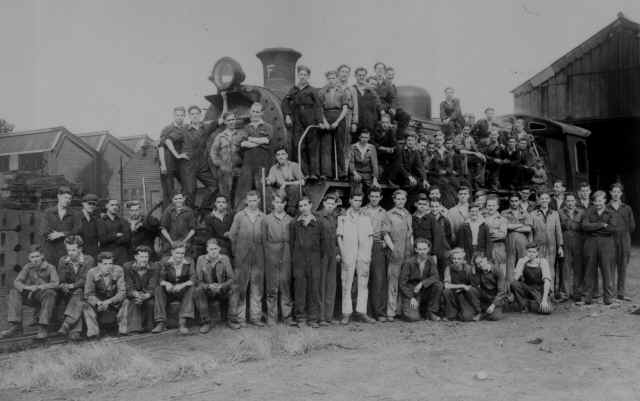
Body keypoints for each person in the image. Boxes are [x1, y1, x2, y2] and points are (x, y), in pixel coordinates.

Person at [0, 245, 58, 339]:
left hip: (45, 297)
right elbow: (17, 282)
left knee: (50, 293)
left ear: (42, 256)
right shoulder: (28, 267)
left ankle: (43, 327)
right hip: (32, 296)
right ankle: (16, 326)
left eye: (37, 256)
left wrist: (40, 287)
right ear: (29, 258)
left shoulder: (50, 267)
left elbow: (55, 283)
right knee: (14, 292)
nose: (35, 259)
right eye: (32, 257)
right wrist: (27, 287)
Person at [228, 190, 266, 327]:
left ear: (259, 201)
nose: (252, 203)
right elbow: (232, 235)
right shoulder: (239, 216)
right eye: (250, 201)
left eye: (255, 200)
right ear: (246, 201)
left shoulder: (263, 217)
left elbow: (266, 238)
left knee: (257, 288)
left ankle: (255, 317)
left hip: (258, 258)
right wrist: (238, 252)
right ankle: (240, 318)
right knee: (241, 288)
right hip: (242, 257)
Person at [338, 192, 375, 324]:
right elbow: (339, 238)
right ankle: (346, 313)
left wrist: (368, 254)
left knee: (363, 283)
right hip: (348, 254)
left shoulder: (366, 217)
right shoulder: (343, 217)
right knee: (346, 283)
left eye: (360, 200)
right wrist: (343, 255)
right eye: (355, 200)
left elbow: (370, 237)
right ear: (350, 201)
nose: (358, 203)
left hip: (363, 254)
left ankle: (362, 312)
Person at [290, 196, 326, 327]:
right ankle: (300, 318)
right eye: (300, 206)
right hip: (299, 261)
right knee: (300, 289)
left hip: (314, 261)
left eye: (305, 205)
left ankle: (313, 318)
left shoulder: (318, 222)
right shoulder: (294, 223)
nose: (303, 208)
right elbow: (291, 243)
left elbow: (323, 244)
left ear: (311, 205)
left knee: (314, 289)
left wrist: (316, 258)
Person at [282, 65, 323, 177]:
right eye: (301, 74)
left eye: (305, 75)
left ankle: (314, 173)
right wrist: (287, 115)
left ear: (308, 76)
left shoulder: (312, 90)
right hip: (297, 120)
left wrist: (319, 121)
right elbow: (285, 102)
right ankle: (304, 173)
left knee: (312, 147)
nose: (303, 77)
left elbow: (318, 106)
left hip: (310, 119)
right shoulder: (293, 90)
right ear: (298, 75)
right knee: (299, 146)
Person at [261, 193, 294, 326]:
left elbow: (293, 240)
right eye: (276, 202)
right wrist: (267, 255)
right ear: (272, 203)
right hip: (271, 252)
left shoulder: (290, 220)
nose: (278, 205)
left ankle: (287, 316)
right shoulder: (266, 219)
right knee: (272, 285)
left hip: (286, 252)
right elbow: (263, 240)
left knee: (285, 284)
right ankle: (271, 317)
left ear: (285, 204)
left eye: (281, 202)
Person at [581, 190, 617, 305]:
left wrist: (594, 229)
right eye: (596, 201)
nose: (598, 203)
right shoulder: (588, 212)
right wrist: (601, 225)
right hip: (591, 244)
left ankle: (608, 298)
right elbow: (585, 226)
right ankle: (588, 297)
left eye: (600, 200)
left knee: (607, 271)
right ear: (593, 201)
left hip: (606, 244)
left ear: (605, 200)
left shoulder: (610, 212)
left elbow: (612, 229)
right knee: (589, 271)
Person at [235, 102, 274, 208]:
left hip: (263, 164)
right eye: (253, 111)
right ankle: (239, 214)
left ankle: (265, 213)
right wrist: (258, 143)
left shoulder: (268, 127)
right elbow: (242, 143)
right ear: (250, 112)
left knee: (262, 190)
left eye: (257, 112)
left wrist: (250, 139)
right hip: (248, 163)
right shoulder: (245, 128)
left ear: (262, 113)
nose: (255, 114)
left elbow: (266, 140)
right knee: (242, 190)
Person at [152, 243, 197, 334]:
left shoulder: (189, 261)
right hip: (170, 290)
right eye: (177, 253)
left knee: (191, 289)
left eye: (182, 253)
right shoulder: (165, 261)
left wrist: (182, 285)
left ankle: (183, 322)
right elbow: (160, 278)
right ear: (172, 252)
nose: (180, 255)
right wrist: (166, 284)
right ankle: (161, 322)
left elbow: (193, 278)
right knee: (158, 289)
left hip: (182, 291)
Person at [194, 239, 238, 332]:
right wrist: (208, 286)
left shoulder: (225, 258)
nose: (213, 251)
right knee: (198, 290)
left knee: (234, 288)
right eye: (211, 249)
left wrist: (222, 286)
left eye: (215, 248)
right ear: (207, 249)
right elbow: (198, 280)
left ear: (219, 249)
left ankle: (232, 320)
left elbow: (232, 278)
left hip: (222, 290)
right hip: (208, 290)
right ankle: (206, 322)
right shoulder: (201, 259)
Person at [180, 105, 219, 208]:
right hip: (188, 165)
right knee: (190, 192)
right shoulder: (184, 129)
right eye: (192, 114)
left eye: (197, 113)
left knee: (214, 186)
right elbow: (168, 139)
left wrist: (224, 99)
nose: (195, 116)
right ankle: (190, 215)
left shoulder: (205, 127)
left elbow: (221, 120)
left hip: (202, 164)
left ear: (200, 115)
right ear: (189, 116)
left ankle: (202, 208)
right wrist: (177, 154)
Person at [363, 188, 393, 321]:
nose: (374, 198)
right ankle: (366, 312)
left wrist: (390, 246)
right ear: (368, 197)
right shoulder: (363, 211)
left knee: (378, 279)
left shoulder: (384, 213)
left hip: (377, 245)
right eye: (372, 196)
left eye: (377, 196)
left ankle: (379, 312)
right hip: (363, 244)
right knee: (364, 278)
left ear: (380, 198)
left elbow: (385, 232)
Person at [56, 236, 94, 340]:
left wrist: (72, 286)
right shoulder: (63, 260)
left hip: (84, 290)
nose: (70, 253)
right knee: (77, 297)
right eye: (68, 250)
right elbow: (61, 279)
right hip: (67, 292)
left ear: (80, 249)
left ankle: (67, 324)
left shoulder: (88, 260)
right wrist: (64, 285)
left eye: (73, 250)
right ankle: (75, 331)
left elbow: (85, 279)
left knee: (79, 293)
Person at [83, 251, 127, 338]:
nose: (108, 266)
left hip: (113, 302)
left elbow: (122, 292)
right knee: (85, 305)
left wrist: (109, 301)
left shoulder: (118, 270)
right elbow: (88, 294)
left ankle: (123, 331)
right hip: (99, 303)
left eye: (110, 263)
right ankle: (93, 333)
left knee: (126, 302)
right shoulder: (91, 272)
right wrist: (98, 302)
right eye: (105, 264)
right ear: (99, 264)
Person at [398, 238, 443, 322]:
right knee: (413, 318)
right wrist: (411, 297)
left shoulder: (430, 260)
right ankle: (416, 309)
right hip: (412, 292)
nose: (422, 252)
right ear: (415, 250)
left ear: (428, 249)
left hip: (424, 289)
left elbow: (435, 276)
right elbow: (402, 283)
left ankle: (431, 312)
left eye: (424, 249)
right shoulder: (409, 263)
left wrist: (422, 283)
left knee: (438, 285)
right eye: (420, 249)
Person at [385, 190, 413, 321]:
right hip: (395, 253)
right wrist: (393, 249)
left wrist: (412, 249)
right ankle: (391, 312)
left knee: (404, 282)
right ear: (394, 200)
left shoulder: (408, 214)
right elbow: (385, 234)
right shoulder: (389, 214)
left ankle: (402, 310)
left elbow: (410, 233)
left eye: (403, 199)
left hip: (407, 252)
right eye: (398, 199)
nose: (400, 201)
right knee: (393, 282)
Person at [530, 192, 564, 295]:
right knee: (538, 269)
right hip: (538, 246)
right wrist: (531, 247)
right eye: (542, 199)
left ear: (549, 200)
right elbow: (530, 232)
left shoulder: (554, 214)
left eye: (546, 198)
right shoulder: (533, 214)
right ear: (539, 200)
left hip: (551, 246)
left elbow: (558, 231)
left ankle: (551, 292)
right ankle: (539, 293)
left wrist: (560, 247)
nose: (544, 200)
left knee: (550, 269)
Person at [209, 111, 247, 200]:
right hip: (225, 171)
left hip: (238, 169)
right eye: (229, 120)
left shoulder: (242, 134)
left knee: (239, 194)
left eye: (233, 119)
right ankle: (228, 213)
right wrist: (219, 164)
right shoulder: (220, 136)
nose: (232, 122)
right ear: (225, 122)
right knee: (225, 195)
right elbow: (213, 152)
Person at [319, 70, 349, 179]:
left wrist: (337, 122)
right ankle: (327, 173)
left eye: (333, 78)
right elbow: (320, 109)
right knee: (326, 147)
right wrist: (325, 122)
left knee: (339, 146)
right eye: (329, 78)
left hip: (339, 118)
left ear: (336, 79)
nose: (331, 80)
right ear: (327, 79)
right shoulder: (322, 92)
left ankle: (341, 173)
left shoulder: (342, 92)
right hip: (326, 116)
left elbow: (345, 109)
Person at [121, 245, 158, 334]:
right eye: (142, 257)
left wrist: (145, 296)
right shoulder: (127, 267)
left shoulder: (154, 267)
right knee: (133, 301)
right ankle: (134, 329)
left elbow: (153, 286)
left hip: (147, 295)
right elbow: (128, 285)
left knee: (151, 303)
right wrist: (136, 294)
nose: (144, 259)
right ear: (136, 257)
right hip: (134, 294)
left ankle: (148, 326)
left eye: (146, 257)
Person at [608, 183, 635, 301]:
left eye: (618, 192)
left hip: (624, 240)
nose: (615, 194)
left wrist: (624, 233)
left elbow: (632, 226)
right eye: (613, 191)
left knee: (623, 267)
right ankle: (610, 293)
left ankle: (621, 293)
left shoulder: (627, 208)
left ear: (621, 194)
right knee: (610, 267)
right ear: (610, 193)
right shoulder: (605, 207)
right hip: (610, 241)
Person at [41, 186, 81, 267]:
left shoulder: (74, 214)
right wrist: (68, 233)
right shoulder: (48, 212)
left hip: (67, 251)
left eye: (69, 199)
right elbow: (45, 231)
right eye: (65, 197)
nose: (67, 200)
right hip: (51, 250)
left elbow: (78, 230)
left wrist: (62, 234)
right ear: (58, 196)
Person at [510, 242, 553, 314]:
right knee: (514, 284)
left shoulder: (542, 261)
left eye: (534, 252)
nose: (531, 254)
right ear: (526, 252)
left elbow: (547, 282)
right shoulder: (521, 261)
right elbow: (515, 279)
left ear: (537, 253)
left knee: (546, 311)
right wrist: (522, 263)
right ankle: (524, 306)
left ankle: (538, 302)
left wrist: (544, 300)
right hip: (528, 288)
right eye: (529, 251)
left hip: (539, 290)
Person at [158, 107, 188, 207]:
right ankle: (168, 214)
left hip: (179, 162)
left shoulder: (185, 128)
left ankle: (182, 209)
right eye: (177, 115)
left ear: (184, 116)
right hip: (168, 160)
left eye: (181, 115)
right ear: (174, 116)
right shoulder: (167, 129)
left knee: (187, 185)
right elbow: (161, 147)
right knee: (168, 190)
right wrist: (163, 165)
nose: (179, 118)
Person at [316, 195, 339, 325]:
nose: (330, 206)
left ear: (335, 205)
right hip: (321, 255)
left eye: (333, 204)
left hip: (332, 254)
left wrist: (337, 252)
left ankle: (329, 316)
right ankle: (321, 317)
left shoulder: (335, 218)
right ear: (324, 203)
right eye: (328, 203)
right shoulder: (318, 217)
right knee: (321, 285)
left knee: (331, 285)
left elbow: (337, 238)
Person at [558, 193, 585, 302]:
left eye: (572, 201)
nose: (570, 203)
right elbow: (558, 229)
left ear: (576, 201)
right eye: (568, 201)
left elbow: (584, 228)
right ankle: (565, 293)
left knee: (578, 268)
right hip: (565, 242)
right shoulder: (559, 212)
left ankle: (577, 292)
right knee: (565, 268)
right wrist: (559, 245)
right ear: (565, 201)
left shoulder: (581, 213)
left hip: (578, 242)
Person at [442, 248, 481, 322]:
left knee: (467, 318)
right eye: (454, 258)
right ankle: (451, 313)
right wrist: (462, 286)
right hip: (453, 295)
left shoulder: (468, 269)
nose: (456, 261)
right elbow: (446, 285)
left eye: (459, 259)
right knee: (446, 291)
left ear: (463, 260)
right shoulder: (448, 268)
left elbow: (473, 286)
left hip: (464, 296)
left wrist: (464, 288)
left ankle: (467, 311)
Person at [502, 193, 533, 284]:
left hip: (522, 241)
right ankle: (510, 290)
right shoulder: (504, 213)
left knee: (523, 262)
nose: (514, 203)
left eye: (516, 201)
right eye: (512, 201)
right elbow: (505, 226)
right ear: (509, 202)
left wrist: (512, 227)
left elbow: (528, 228)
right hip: (509, 240)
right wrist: (520, 225)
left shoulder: (525, 213)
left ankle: (524, 288)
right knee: (510, 264)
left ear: (519, 201)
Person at [266, 148, 305, 216]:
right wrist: (268, 180)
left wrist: (286, 183)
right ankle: (273, 213)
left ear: (286, 155)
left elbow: (302, 182)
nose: (280, 157)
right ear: (276, 157)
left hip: (293, 191)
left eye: (282, 154)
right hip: (280, 191)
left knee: (294, 188)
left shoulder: (294, 165)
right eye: (278, 155)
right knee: (269, 190)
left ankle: (290, 212)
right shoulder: (273, 168)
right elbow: (271, 180)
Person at [472, 253, 506, 321]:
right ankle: (480, 311)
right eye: (477, 264)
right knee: (472, 290)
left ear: (486, 259)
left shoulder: (497, 271)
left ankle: (484, 313)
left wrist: (493, 305)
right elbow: (475, 286)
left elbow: (501, 291)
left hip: (494, 298)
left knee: (495, 317)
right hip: (484, 297)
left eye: (481, 262)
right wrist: (473, 271)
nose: (480, 265)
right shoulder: (478, 271)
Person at [97, 199, 131, 265]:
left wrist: (110, 238)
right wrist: (116, 235)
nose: (115, 207)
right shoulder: (101, 221)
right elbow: (102, 239)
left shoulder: (123, 221)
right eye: (112, 205)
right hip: (106, 256)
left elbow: (127, 238)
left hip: (121, 256)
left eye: (117, 205)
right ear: (107, 206)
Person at [352, 67, 382, 139]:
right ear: (355, 76)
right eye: (359, 75)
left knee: (370, 143)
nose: (361, 77)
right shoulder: (352, 88)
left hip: (369, 122)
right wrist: (353, 122)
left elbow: (377, 103)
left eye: (363, 75)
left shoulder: (370, 90)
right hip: (357, 122)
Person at [347, 130, 379, 195]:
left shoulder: (371, 147)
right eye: (362, 137)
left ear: (369, 138)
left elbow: (374, 164)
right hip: (356, 172)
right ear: (359, 137)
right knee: (356, 187)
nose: (364, 139)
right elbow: (351, 162)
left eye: (366, 137)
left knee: (372, 189)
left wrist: (375, 179)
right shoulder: (353, 147)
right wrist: (355, 173)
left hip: (367, 174)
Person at [484, 196, 508, 278]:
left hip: (498, 247)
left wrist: (487, 232)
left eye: (493, 205)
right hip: (485, 247)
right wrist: (494, 231)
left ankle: (502, 290)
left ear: (497, 207)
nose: (491, 207)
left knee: (500, 270)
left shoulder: (502, 219)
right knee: (486, 269)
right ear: (486, 206)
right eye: (489, 205)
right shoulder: (482, 218)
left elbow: (502, 235)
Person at [430, 200, 453, 278]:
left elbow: (449, 235)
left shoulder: (445, 220)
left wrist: (447, 246)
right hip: (432, 250)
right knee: (433, 271)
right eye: (432, 206)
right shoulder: (427, 219)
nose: (434, 208)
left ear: (440, 207)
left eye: (436, 206)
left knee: (444, 270)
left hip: (443, 250)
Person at [336, 64, 358, 143]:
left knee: (346, 139)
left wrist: (354, 122)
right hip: (336, 114)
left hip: (348, 116)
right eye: (342, 71)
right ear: (338, 73)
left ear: (349, 74)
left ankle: (345, 155)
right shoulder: (334, 87)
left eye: (346, 72)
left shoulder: (352, 89)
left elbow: (355, 107)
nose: (344, 74)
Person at [78, 193, 100, 259]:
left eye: (94, 204)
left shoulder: (96, 219)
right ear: (83, 203)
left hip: (94, 253)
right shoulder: (76, 217)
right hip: (80, 253)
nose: (92, 206)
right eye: (89, 203)